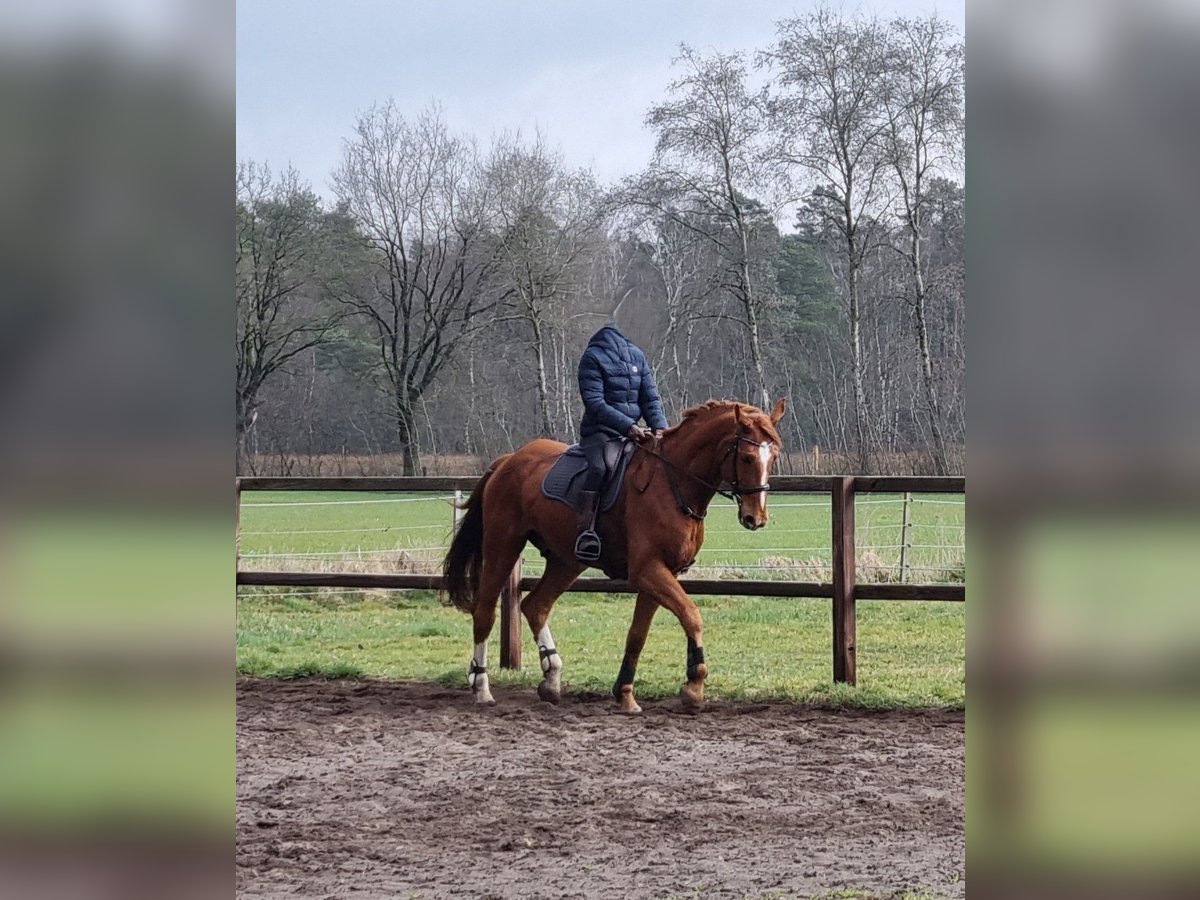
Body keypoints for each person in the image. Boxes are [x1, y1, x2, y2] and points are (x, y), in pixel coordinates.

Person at [574, 323, 669, 561]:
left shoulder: (635, 356)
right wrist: (629, 426)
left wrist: (660, 429)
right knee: (599, 468)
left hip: (632, 432)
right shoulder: (594, 358)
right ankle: (586, 529)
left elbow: (650, 399)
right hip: (600, 432)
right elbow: (595, 403)